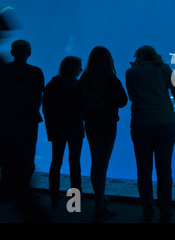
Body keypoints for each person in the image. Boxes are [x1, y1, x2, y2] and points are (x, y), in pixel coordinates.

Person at [126, 45, 175, 223]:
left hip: (141, 123)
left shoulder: (130, 73)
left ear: (139, 57)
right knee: (164, 168)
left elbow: (131, 96)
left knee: (144, 170)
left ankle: (147, 209)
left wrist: (136, 69)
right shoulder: (165, 68)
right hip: (165, 122)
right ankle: (166, 209)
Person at [79, 46, 127, 222]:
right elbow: (123, 101)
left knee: (96, 163)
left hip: (91, 125)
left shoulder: (84, 78)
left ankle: (100, 196)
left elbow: (78, 101)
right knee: (102, 164)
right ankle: (99, 206)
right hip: (107, 125)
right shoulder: (110, 78)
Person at [0, 40, 44, 206]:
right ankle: (23, 192)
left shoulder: (3, 70)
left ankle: (6, 190)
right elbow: (38, 96)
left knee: (7, 155)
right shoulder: (35, 72)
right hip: (28, 120)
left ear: (12, 52)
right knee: (26, 156)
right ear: (29, 53)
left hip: (6, 120)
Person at [42, 56, 84, 206]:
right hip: (74, 128)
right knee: (74, 162)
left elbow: (46, 108)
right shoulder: (77, 86)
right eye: (79, 66)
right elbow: (82, 108)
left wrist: (50, 127)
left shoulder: (52, 85)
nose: (81, 69)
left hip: (57, 128)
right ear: (74, 68)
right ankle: (76, 197)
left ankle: (54, 193)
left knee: (56, 161)